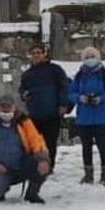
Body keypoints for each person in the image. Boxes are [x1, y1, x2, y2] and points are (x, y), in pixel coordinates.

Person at [0, 95, 51, 202]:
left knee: (44, 164)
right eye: (3, 107)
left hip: (20, 166)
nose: (6, 110)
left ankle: (32, 194)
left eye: (8, 107)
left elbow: (36, 140)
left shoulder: (23, 122)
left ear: (14, 107)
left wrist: (42, 158)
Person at [68, 47, 105, 185]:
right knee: (86, 147)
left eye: (92, 56)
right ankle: (88, 174)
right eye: (87, 57)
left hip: (101, 116)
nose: (90, 59)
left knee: (103, 146)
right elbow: (71, 93)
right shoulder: (79, 75)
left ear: (98, 58)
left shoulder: (104, 74)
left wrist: (101, 99)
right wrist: (80, 98)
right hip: (84, 118)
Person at [18, 42, 70, 173]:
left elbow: (64, 87)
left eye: (38, 53)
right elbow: (22, 89)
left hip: (52, 112)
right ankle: (34, 165)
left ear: (44, 54)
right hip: (35, 113)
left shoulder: (55, 69)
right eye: (33, 53)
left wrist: (63, 104)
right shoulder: (27, 74)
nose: (36, 55)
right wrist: (23, 94)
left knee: (50, 142)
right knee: (33, 142)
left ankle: (49, 166)